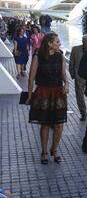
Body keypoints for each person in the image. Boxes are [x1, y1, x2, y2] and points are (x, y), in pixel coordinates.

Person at [26, 32, 69, 164]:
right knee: (44, 124)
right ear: (49, 44)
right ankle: (44, 151)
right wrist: (29, 96)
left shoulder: (60, 56)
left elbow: (63, 74)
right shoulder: (38, 56)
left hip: (57, 93)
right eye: (57, 41)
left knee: (59, 125)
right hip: (43, 92)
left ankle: (54, 149)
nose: (59, 43)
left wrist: (66, 83)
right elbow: (31, 78)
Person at [69, 34, 87, 121]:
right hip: (79, 77)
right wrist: (73, 75)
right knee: (80, 96)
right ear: (83, 42)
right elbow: (71, 62)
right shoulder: (75, 49)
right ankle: (83, 113)